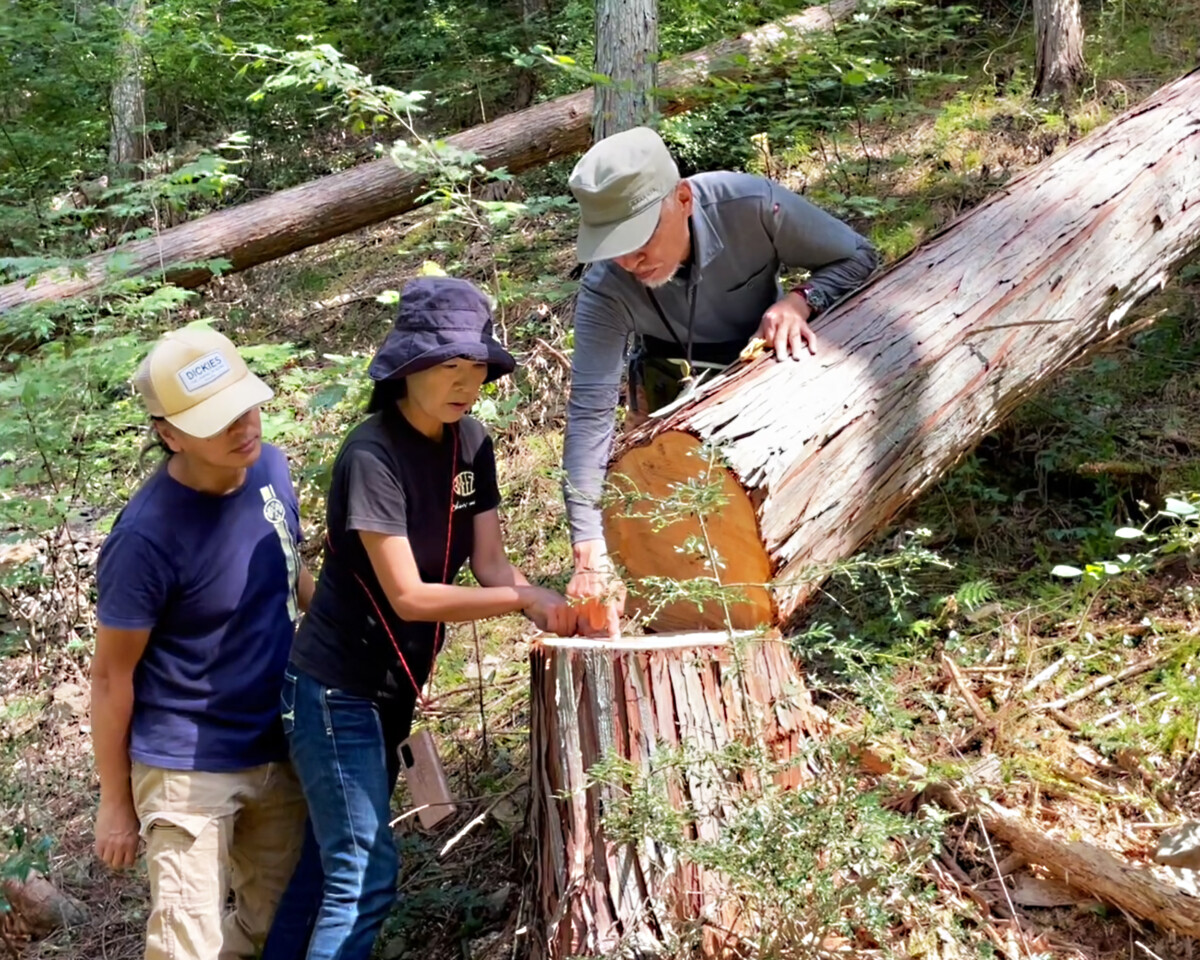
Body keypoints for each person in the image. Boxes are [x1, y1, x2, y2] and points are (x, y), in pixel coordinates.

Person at [264, 276, 575, 960]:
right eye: (447, 367)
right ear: (406, 370)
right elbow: (409, 595)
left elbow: (491, 562)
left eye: (476, 368)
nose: (466, 383)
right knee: (365, 877)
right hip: (334, 689)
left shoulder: (472, 444)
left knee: (327, 867)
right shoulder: (372, 457)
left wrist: (550, 603)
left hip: (390, 690)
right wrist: (524, 601)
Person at [562, 125, 880, 635]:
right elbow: (590, 413)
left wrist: (799, 300)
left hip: (769, 373)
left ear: (683, 199)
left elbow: (860, 255)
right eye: (612, 246)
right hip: (670, 393)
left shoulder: (750, 205)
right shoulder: (606, 287)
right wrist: (589, 547)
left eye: (638, 238)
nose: (629, 261)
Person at [91, 326, 315, 960]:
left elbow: (291, 570)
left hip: (276, 743)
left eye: (246, 406)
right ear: (170, 433)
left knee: (280, 928)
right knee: (186, 943)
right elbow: (111, 676)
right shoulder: (146, 537)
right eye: (218, 420)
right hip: (186, 763)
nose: (243, 427)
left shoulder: (270, 468)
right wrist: (115, 802)